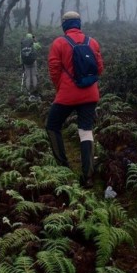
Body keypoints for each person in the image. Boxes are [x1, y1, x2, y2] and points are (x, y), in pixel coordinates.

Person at [45, 11, 104, 188]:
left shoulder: (59, 43)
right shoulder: (92, 42)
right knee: (86, 131)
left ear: (64, 25)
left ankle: (63, 166)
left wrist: (60, 88)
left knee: (52, 125)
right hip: (90, 94)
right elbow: (99, 69)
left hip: (67, 95)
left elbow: (54, 70)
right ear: (79, 23)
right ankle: (87, 176)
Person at [20, 33, 42, 100]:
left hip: (25, 63)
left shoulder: (23, 45)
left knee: (28, 77)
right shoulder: (33, 45)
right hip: (33, 62)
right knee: (34, 75)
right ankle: (35, 89)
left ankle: (29, 91)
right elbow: (40, 47)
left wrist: (21, 63)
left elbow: (21, 55)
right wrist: (35, 40)